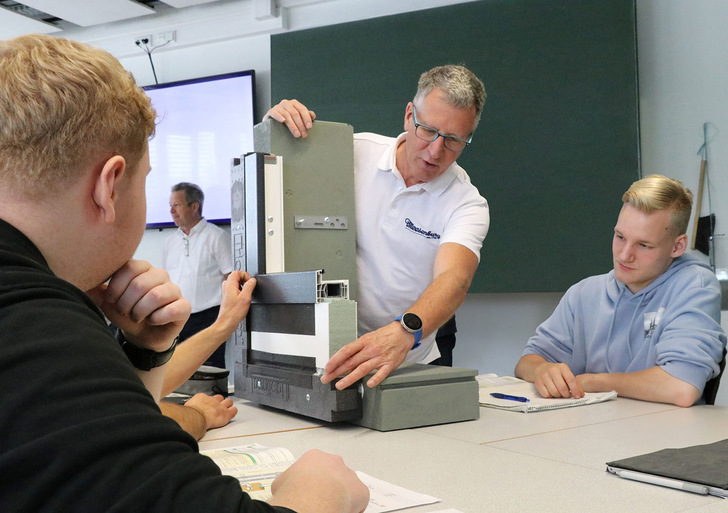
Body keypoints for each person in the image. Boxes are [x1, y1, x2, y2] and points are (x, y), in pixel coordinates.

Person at [0, 33, 368, 513]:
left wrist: (143, 353)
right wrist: (324, 489)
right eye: (146, 180)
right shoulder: (40, 330)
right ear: (109, 185)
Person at [265, 65, 489, 389]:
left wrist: (404, 332)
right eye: (428, 130)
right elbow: (275, 183)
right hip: (334, 345)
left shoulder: (466, 202)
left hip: (411, 353)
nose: (436, 151)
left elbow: (454, 278)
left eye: (454, 140)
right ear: (409, 114)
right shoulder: (352, 153)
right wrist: (276, 131)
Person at [514, 174, 727, 407]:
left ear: (677, 246)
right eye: (620, 237)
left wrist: (594, 382)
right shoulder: (584, 293)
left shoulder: (695, 286)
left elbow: (681, 387)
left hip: (666, 435)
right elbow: (526, 362)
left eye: (643, 245)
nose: (624, 255)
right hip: (594, 431)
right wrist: (544, 370)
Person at [163, 182, 233, 368]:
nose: (171, 211)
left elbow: (231, 278)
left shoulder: (216, 237)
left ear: (194, 206)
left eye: (176, 205)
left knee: (210, 371)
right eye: (170, 206)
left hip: (208, 318)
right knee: (176, 370)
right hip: (177, 319)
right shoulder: (170, 242)